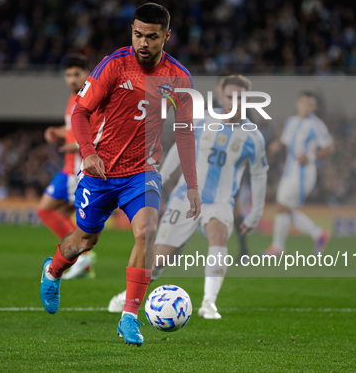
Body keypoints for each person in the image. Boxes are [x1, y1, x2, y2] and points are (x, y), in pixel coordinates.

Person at [39, 3, 201, 347]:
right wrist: (89, 152)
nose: (143, 42)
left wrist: (193, 185)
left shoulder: (179, 78)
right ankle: (52, 271)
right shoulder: (114, 65)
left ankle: (128, 317)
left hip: (142, 171)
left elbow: (185, 132)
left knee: (146, 232)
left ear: (166, 37)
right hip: (100, 172)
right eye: (137, 34)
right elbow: (81, 112)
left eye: (152, 37)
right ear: (132, 31)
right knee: (85, 240)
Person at [108, 75, 269, 319]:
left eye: (240, 98)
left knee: (219, 235)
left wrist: (256, 212)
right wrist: (160, 177)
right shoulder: (202, 118)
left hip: (220, 202)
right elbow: (178, 148)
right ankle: (128, 296)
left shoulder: (253, 137)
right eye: (229, 96)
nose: (234, 102)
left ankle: (208, 303)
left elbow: (259, 175)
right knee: (160, 258)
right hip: (186, 197)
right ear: (220, 95)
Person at [37, 54, 96, 279]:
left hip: (78, 168)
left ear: (86, 74)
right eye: (68, 75)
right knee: (61, 214)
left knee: (46, 209)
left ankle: (81, 257)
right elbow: (73, 128)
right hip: (69, 166)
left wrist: (75, 145)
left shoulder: (89, 98)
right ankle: (77, 259)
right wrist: (58, 132)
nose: (72, 79)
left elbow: (97, 132)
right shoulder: (73, 99)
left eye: (76, 74)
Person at [265, 91, 333, 255]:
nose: (306, 106)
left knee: (283, 207)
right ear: (298, 104)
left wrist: (310, 156)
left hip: (303, 173)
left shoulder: (317, 125)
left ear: (315, 107)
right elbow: (286, 142)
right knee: (285, 208)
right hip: (289, 170)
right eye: (303, 102)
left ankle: (278, 247)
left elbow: (329, 148)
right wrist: (277, 145)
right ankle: (318, 234)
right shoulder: (292, 122)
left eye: (310, 104)